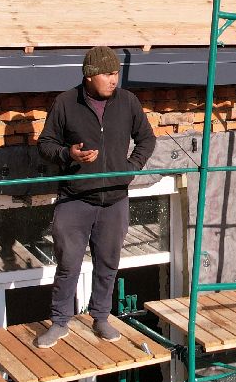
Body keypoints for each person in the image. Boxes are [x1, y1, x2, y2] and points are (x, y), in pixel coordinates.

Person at [35, 46, 157, 348]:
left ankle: (101, 317)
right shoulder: (65, 102)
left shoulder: (128, 102)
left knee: (108, 263)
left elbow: (147, 138)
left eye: (116, 72)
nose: (114, 79)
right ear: (89, 76)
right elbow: (45, 143)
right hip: (75, 199)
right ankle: (60, 321)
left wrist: (131, 169)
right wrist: (68, 154)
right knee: (69, 264)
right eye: (107, 74)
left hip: (114, 199)